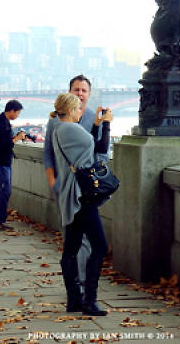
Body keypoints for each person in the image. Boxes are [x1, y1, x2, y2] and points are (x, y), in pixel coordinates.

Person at [43, 74, 113, 290]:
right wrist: (52, 179)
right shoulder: (61, 124)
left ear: (89, 94)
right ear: (70, 94)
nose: (80, 94)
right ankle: (84, 292)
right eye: (77, 89)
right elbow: (99, 148)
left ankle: (76, 291)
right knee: (90, 243)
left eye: (84, 90)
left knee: (75, 241)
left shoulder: (86, 117)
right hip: (75, 188)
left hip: (84, 186)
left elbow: (94, 150)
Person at [0, 100, 27, 231]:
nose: (17, 116)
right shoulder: (0, 123)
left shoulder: (2, 121)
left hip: (2, 162)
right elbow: (3, 145)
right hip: (0, 163)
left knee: (1, 191)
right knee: (3, 191)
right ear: (12, 111)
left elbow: (3, 141)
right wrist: (17, 138)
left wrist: (14, 137)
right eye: (18, 113)